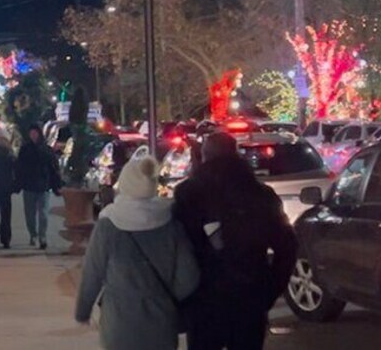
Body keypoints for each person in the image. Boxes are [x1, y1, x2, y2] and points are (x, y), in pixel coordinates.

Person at [173, 132, 298, 350]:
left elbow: (175, 247)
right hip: (249, 297)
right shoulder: (261, 195)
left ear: (204, 156)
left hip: (203, 300)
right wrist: (270, 289)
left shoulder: (188, 194)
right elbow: (287, 246)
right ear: (236, 155)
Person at [75, 155, 200, 350]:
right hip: (161, 322)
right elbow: (189, 276)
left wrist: (83, 310)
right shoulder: (169, 222)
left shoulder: (109, 223)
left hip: (119, 321)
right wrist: (164, 297)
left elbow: (93, 272)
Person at [15, 124, 61, 249]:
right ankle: (33, 234)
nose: (33, 135)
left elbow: (53, 169)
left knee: (43, 213)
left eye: (35, 133)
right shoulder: (25, 149)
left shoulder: (46, 149)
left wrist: (56, 185)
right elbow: (19, 168)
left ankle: (42, 236)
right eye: (31, 133)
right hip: (29, 186)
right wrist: (18, 183)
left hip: (43, 186)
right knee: (30, 214)